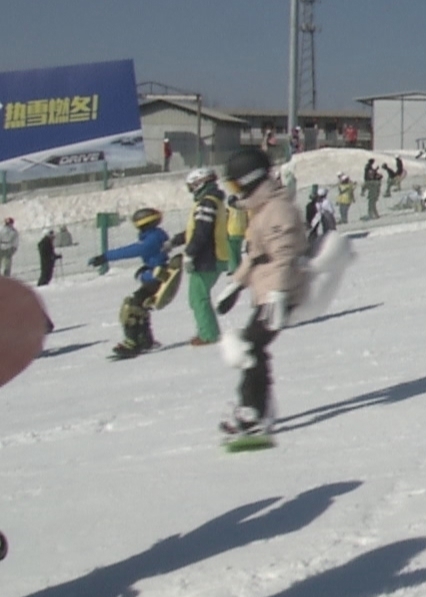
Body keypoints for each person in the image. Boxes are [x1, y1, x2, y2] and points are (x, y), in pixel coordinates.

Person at [216, 146, 308, 439]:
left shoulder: (278, 210)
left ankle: (254, 411)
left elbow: (284, 255)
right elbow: (255, 256)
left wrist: (279, 294)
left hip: (281, 294)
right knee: (252, 349)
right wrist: (235, 284)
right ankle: (257, 408)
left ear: (251, 180)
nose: (235, 192)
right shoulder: (262, 210)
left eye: (236, 185)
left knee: (249, 348)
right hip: (267, 293)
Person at [89, 207, 173, 358]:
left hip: (156, 279)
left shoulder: (152, 239)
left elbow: (132, 250)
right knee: (139, 305)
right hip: (156, 276)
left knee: (131, 307)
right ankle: (145, 339)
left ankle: (132, 341)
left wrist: (105, 257)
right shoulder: (155, 235)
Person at [175, 168, 229, 347]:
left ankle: (209, 334)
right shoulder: (212, 201)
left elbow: (202, 231)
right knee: (198, 296)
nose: (192, 191)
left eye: (192, 187)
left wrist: (190, 253)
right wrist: (176, 241)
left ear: (200, 183)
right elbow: (195, 229)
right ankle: (207, 331)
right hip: (213, 254)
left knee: (198, 297)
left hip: (208, 256)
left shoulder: (207, 202)